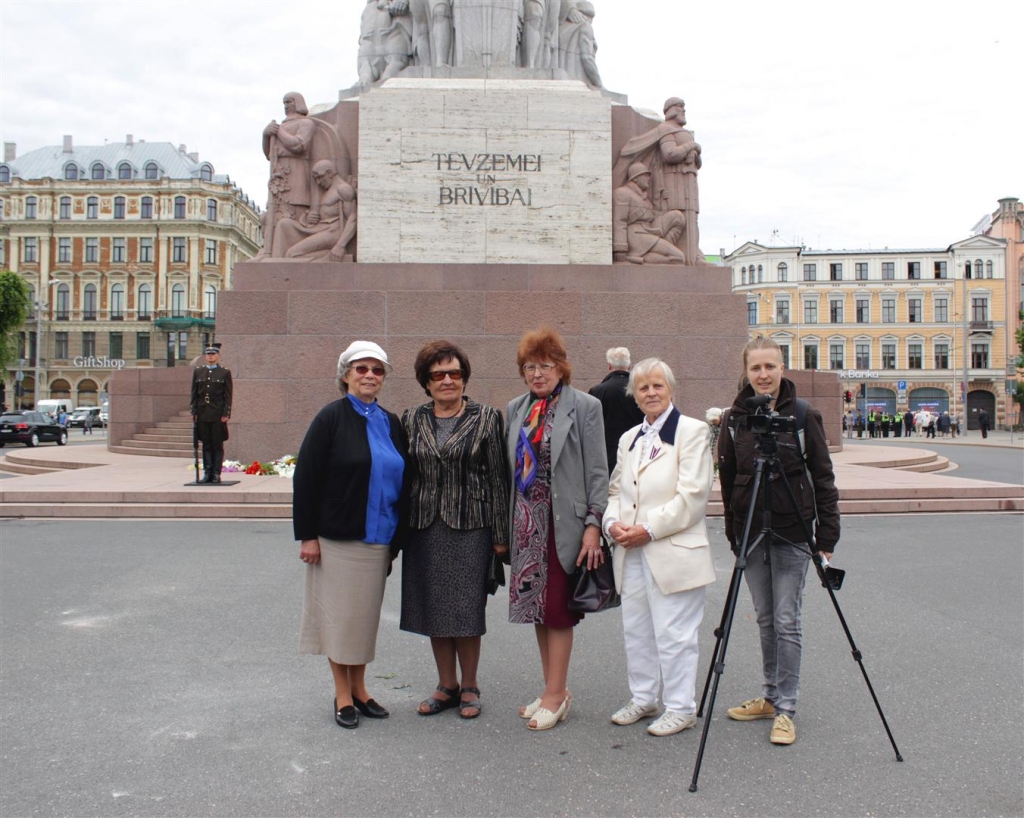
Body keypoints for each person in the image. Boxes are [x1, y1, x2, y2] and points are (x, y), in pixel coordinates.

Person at [718, 336, 840, 746]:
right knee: (766, 619)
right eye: (756, 368)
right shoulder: (736, 418)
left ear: (782, 367)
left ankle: (786, 708)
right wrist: (734, 532)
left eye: (770, 366)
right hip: (752, 533)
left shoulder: (804, 415)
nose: (763, 375)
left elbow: (823, 479)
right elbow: (727, 474)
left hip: (791, 532)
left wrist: (827, 537)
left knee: (787, 621)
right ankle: (770, 696)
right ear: (746, 372)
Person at [293, 340, 410, 730]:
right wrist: (308, 536)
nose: (370, 376)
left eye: (377, 370)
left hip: (378, 539)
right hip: (337, 538)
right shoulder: (330, 418)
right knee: (340, 620)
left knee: (362, 620)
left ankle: (361, 688)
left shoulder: (392, 422)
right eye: (362, 369)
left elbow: (403, 478)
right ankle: (342, 693)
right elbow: (307, 478)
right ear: (346, 375)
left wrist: (398, 540)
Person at [604, 358, 715, 736]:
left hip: (672, 550)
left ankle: (682, 707)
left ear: (670, 389)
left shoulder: (692, 431)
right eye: (643, 388)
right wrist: (610, 523)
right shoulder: (629, 438)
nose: (650, 393)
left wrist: (647, 529)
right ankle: (644, 696)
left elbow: (693, 497)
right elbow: (616, 489)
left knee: (675, 633)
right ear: (634, 396)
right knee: (636, 629)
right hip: (631, 549)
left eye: (657, 386)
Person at [401, 340, 511, 720]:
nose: (447, 381)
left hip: (471, 526)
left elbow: (498, 478)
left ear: (464, 378)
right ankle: (445, 684)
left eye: (454, 374)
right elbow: (406, 477)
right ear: (426, 382)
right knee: (433, 606)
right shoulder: (411, 419)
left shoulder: (486, 418)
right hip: (424, 526)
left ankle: (470, 685)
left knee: (465, 609)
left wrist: (500, 535)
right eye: (438, 375)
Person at [506, 327, 608, 731]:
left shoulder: (584, 406)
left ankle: (555, 693)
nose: (537, 373)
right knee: (537, 609)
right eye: (530, 366)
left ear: (561, 368)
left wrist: (593, 525)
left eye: (545, 366)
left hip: (562, 524)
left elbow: (597, 470)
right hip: (526, 523)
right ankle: (554, 688)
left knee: (559, 611)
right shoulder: (516, 408)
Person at [269, 160, 357, 261]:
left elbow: (353, 218)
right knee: (283, 224)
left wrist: (340, 246)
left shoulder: (343, 189)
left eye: (320, 177)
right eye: (316, 179)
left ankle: (326, 256)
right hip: (320, 228)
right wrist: (307, 219)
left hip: (333, 232)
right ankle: (275, 258)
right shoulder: (330, 189)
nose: (318, 182)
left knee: (291, 253)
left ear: (329, 173)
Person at [612, 163, 687, 264]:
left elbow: (652, 216)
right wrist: (620, 247)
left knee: (678, 217)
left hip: (649, 230)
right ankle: (637, 258)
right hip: (636, 236)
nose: (648, 179)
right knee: (679, 257)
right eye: (645, 175)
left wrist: (661, 201)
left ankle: (661, 248)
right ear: (635, 178)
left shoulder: (644, 197)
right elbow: (620, 221)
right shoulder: (622, 193)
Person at [588, 346, 644, 474]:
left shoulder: (596, 392)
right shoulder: (641, 391)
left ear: (609, 366)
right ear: (629, 365)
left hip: (607, 458)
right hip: (637, 454)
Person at [190, 343, 233, 483]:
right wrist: (194, 411)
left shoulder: (224, 373)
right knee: (206, 444)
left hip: (217, 413)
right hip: (202, 413)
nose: (210, 356)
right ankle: (207, 472)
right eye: (208, 354)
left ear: (218, 356)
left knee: (217, 444)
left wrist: (226, 413)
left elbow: (228, 395)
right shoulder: (198, 371)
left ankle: (216, 473)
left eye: (213, 354)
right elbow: (194, 393)